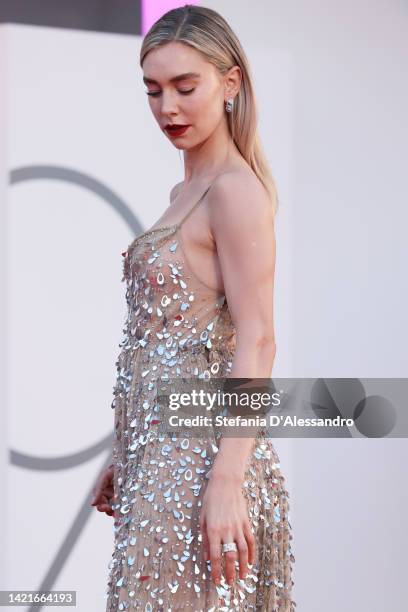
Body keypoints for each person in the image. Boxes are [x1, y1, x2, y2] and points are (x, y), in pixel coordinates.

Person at [91, 5, 296, 610]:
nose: (167, 108)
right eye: (153, 90)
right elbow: (164, 342)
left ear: (230, 84)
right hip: (158, 459)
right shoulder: (185, 193)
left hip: (206, 465)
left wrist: (228, 479)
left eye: (186, 86)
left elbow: (258, 339)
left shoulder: (234, 192)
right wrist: (123, 448)